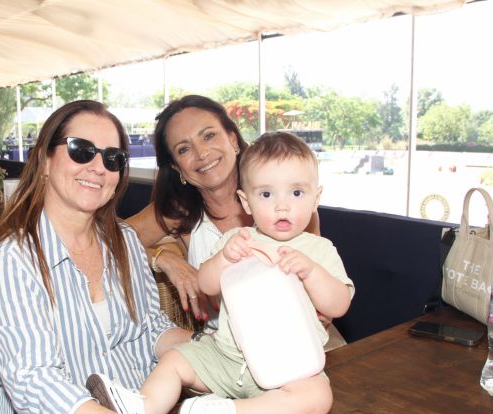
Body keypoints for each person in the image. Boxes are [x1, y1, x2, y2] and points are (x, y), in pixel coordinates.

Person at [0, 100, 214, 414]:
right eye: (81, 150)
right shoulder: (12, 259)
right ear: (44, 160)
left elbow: (149, 329)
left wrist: (214, 352)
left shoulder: (125, 241)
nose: (99, 167)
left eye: (113, 158)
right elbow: (36, 383)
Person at [91, 131, 354, 414]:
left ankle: (225, 413)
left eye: (296, 193)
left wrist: (312, 273)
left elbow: (339, 305)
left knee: (316, 399)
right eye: (266, 195)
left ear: (316, 198)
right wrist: (223, 259)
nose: (282, 206)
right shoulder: (236, 240)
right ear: (246, 202)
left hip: (290, 368)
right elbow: (206, 284)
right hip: (226, 357)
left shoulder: (319, 250)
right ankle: (141, 409)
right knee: (174, 360)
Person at [125, 95, 345, 350]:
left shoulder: (289, 209)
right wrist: (165, 259)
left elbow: (323, 289)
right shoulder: (178, 211)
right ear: (177, 167)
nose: (202, 153)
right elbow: (105, 238)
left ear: (232, 139)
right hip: (227, 349)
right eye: (184, 149)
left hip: (304, 339)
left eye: (209, 136)